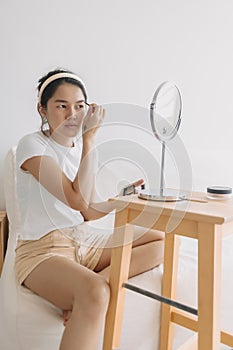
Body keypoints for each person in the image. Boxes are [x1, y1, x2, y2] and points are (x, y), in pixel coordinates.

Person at [14, 68, 164, 350]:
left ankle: (89, 287)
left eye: (79, 106)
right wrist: (90, 140)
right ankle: (90, 291)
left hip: (84, 241)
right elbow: (75, 199)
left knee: (161, 240)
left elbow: (86, 212)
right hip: (44, 250)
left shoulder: (76, 151)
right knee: (95, 293)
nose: (72, 114)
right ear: (42, 110)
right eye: (62, 106)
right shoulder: (31, 145)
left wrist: (121, 198)